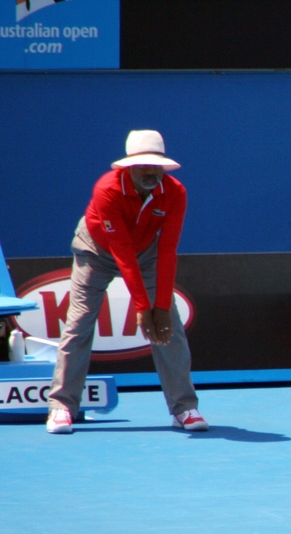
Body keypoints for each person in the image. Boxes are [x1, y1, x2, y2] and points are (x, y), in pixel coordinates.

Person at [46, 130, 207, 435]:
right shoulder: (106, 189)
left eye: (156, 165)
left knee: (169, 326)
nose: (151, 171)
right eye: (144, 165)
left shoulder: (175, 192)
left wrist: (159, 306)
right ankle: (61, 407)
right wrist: (143, 308)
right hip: (96, 250)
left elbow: (168, 249)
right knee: (78, 324)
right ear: (128, 167)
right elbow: (121, 251)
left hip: (146, 254)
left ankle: (184, 408)